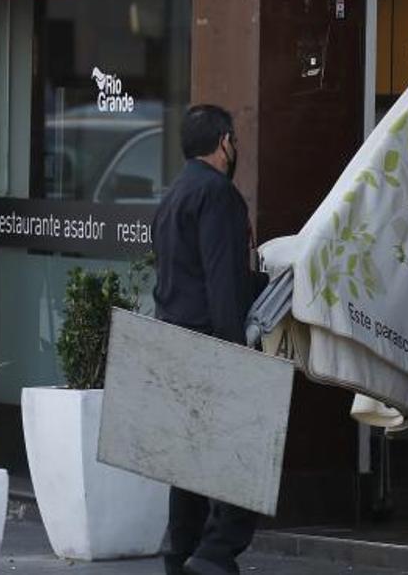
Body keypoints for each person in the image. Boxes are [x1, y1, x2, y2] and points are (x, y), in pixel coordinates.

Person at [152, 104, 267, 575]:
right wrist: (234, 351)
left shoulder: (174, 194)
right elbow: (222, 280)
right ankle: (216, 551)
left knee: (189, 461)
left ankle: (182, 553)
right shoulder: (219, 195)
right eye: (234, 141)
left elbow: (177, 274)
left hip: (174, 338)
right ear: (224, 143)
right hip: (208, 341)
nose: (235, 149)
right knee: (245, 456)